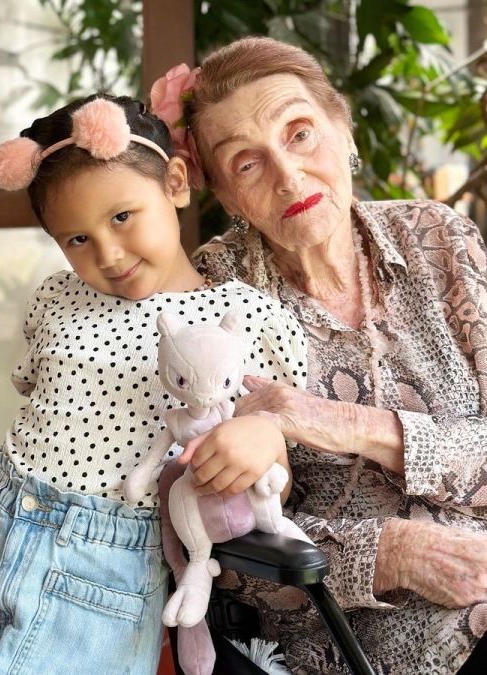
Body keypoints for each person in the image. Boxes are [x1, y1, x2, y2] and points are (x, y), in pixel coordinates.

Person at [150, 38, 487, 675]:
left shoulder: (440, 240)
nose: (289, 175)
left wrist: (334, 422)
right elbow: (212, 541)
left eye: (300, 134)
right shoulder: (210, 302)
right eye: (246, 165)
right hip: (360, 638)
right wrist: (394, 553)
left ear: (344, 128)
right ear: (225, 195)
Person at [0, 93, 311, 674]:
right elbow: (37, 390)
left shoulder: (244, 318)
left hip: (104, 563)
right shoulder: (55, 297)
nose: (108, 254)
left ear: (173, 182)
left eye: (121, 217)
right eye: (76, 240)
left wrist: (263, 444)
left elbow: (277, 469)